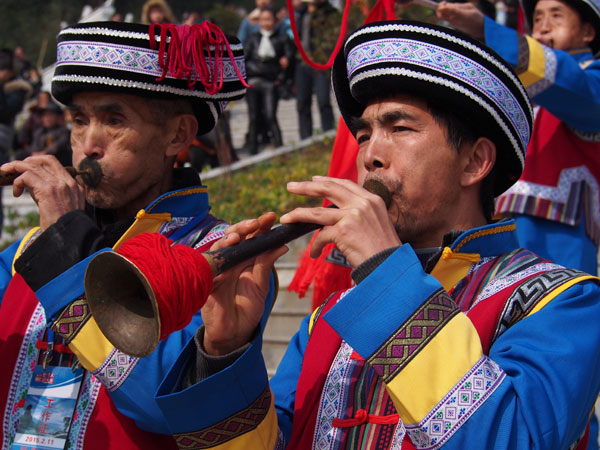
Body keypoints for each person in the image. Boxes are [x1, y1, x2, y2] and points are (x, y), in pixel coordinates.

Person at [151, 21, 600, 449]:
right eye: (365, 134)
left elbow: (511, 439)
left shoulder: (563, 301)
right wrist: (225, 352)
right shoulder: (329, 316)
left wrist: (387, 275)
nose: (370, 156)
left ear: (474, 162)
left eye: (399, 128)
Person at [0, 20, 275, 449]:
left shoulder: (224, 257)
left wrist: (67, 244)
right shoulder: (25, 253)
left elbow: (162, 402)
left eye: (114, 120)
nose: (88, 144)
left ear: (177, 135)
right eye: (78, 120)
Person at [436, 0, 600, 277]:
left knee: (556, 309)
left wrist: (488, 31)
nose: (543, 26)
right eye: (537, 19)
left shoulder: (590, 78)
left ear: (588, 32)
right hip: (497, 221)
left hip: (561, 228)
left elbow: (570, 86)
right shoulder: (521, 84)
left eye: (555, 16)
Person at [244, 6, 295, 154]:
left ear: (275, 21)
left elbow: (288, 60)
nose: (266, 23)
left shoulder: (282, 38)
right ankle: (252, 149)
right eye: (263, 19)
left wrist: (278, 75)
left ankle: (279, 146)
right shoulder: (253, 38)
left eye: (269, 19)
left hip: (270, 82)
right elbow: (245, 59)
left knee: (270, 115)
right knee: (253, 116)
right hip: (253, 82)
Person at [294, 0, 337, 139]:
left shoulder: (330, 13)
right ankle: (305, 139)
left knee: (323, 100)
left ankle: (328, 135)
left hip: (321, 63)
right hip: (302, 62)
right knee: (302, 102)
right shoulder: (301, 14)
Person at [26, 101, 72, 166]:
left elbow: (59, 145)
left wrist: (45, 152)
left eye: (50, 115)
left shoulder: (64, 131)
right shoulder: (39, 132)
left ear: (58, 117)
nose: (47, 118)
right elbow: (34, 147)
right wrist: (36, 153)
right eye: (45, 115)